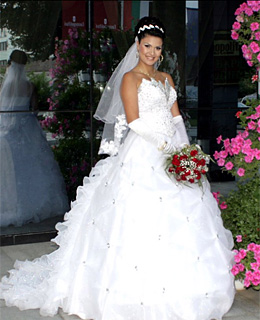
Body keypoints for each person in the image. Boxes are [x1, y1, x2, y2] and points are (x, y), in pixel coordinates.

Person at [0, 18, 235, 319]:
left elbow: (176, 118)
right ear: (138, 46)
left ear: (162, 52)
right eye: (147, 46)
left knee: (188, 214)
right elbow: (134, 121)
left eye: (157, 48)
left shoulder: (166, 79)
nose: (151, 52)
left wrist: (186, 152)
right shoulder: (130, 79)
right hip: (144, 152)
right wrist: (165, 149)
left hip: (174, 150)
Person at [0, 50, 69, 227]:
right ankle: (35, 204)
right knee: (34, 166)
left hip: (9, 132)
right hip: (27, 130)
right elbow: (35, 110)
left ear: (10, 64)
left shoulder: (5, 87)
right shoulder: (30, 86)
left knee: (13, 171)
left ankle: (11, 205)